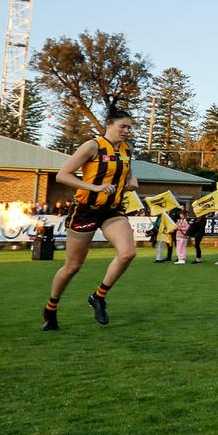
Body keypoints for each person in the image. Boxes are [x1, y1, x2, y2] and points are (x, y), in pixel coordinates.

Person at [42, 109, 139, 331]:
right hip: (86, 210)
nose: (127, 131)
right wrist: (94, 187)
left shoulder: (126, 149)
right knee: (73, 266)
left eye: (130, 127)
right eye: (123, 126)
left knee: (128, 253)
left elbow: (128, 170)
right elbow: (62, 175)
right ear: (109, 124)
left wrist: (133, 180)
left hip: (112, 210)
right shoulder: (92, 146)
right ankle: (51, 307)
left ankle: (98, 296)